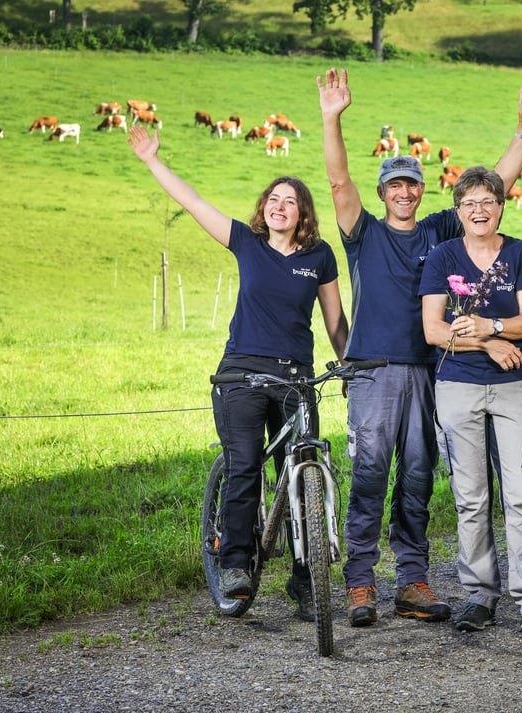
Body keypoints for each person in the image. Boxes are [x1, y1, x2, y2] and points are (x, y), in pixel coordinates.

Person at [316, 67, 522, 627]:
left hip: (433, 367)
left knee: (418, 477)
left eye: (411, 184)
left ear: (422, 190)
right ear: (382, 193)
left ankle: (412, 581)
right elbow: (339, 183)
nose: (403, 192)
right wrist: (331, 118)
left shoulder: (438, 232)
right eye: (394, 185)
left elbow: (491, 189)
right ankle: (360, 583)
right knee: (370, 473)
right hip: (373, 370)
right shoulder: (363, 231)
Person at [126, 125, 350, 622]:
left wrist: (348, 364)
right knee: (245, 465)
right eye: (273, 199)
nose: (279, 206)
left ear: (303, 213)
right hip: (241, 376)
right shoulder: (246, 241)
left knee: (304, 470)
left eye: (290, 201)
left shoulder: (319, 256)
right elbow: (193, 202)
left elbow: (335, 321)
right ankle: (234, 565)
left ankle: (306, 580)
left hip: (296, 379)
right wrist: (152, 160)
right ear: (263, 207)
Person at [419, 166, 522, 637]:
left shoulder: (520, 253)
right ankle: (480, 595)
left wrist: (491, 326)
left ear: (501, 206)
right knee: (470, 498)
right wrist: (490, 343)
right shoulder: (442, 256)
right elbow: (434, 331)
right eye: (469, 203)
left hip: (514, 387)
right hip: (458, 386)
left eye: (487, 202)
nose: (478, 210)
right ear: (458, 211)